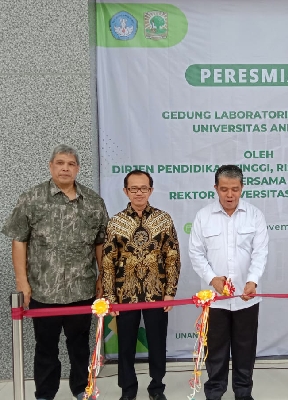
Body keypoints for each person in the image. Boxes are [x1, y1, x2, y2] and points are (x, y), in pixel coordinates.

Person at [1, 144, 109, 400]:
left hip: (82, 288)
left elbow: (101, 242)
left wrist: (102, 278)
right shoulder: (32, 198)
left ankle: (82, 389)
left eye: (71, 164)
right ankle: (45, 394)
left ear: (78, 169)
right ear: (51, 166)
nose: (65, 168)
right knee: (46, 347)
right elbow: (19, 239)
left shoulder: (93, 201)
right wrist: (22, 282)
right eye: (60, 163)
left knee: (80, 346)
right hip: (43, 290)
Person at [188, 165, 269, 400]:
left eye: (235, 189)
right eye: (224, 189)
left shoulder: (255, 215)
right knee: (215, 350)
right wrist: (212, 278)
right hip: (215, 301)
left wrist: (252, 281)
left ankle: (243, 394)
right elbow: (196, 253)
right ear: (216, 188)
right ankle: (214, 393)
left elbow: (260, 252)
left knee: (245, 349)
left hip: (247, 298)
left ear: (242, 188)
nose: (230, 195)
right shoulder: (203, 216)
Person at [102, 170, 181, 400]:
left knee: (157, 343)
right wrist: (110, 298)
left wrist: (170, 293)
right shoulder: (116, 222)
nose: (139, 193)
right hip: (124, 296)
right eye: (134, 188)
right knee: (125, 345)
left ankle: (157, 388)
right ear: (126, 191)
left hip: (157, 294)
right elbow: (107, 262)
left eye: (144, 188)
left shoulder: (163, 219)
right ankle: (128, 391)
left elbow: (173, 257)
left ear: (151, 190)